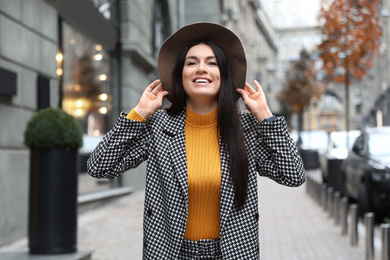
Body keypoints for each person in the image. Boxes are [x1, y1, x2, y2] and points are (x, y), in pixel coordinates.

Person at [87, 22, 306, 259]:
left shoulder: (247, 128)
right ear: (180, 74)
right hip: (172, 253)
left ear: (223, 74)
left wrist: (265, 117)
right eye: (191, 63)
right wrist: (138, 114)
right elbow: (100, 167)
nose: (201, 69)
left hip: (232, 253)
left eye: (212, 63)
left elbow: (293, 175)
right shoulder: (158, 126)